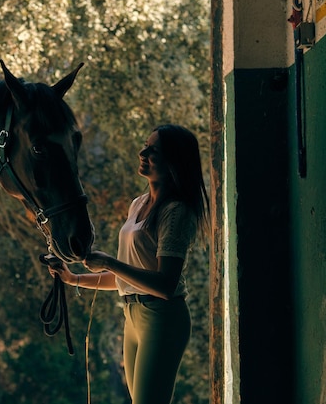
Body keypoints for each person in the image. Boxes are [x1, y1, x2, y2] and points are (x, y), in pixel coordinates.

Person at [48, 124, 210, 404]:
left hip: (162, 318)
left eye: (153, 150)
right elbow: (127, 279)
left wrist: (110, 262)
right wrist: (72, 278)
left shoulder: (176, 212)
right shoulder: (138, 204)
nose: (142, 152)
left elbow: (165, 284)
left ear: (173, 160)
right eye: (144, 145)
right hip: (132, 316)